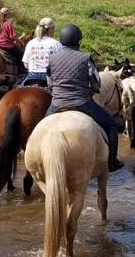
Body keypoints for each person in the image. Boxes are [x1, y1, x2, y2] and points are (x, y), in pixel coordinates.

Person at [44, 24, 124, 172]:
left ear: (61, 40)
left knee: (39, 129)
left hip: (57, 103)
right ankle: (112, 162)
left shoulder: (52, 59)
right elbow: (96, 85)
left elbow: (50, 85)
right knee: (112, 125)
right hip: (82, 103)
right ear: (78, 41)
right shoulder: (86, 58)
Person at [20, 17, 62, 87]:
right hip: (49, 77)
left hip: (32, 76)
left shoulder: (31, 43)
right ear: (50, 30)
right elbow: (60, 65)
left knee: (18, 90)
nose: (54, 31)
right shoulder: (56, 44)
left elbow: (26, 65)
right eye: (53, 29)